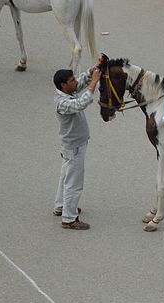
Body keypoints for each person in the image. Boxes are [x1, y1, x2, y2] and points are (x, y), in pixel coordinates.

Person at [52, 66, 101, 230]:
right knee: (74, 183)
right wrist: (93, 83)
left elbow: (80, 83)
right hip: (74, 147)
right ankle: (69, 218)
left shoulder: (67, 92)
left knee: (65, 176)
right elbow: (81, 103)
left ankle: (61, 206)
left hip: (72, 146)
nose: (75, 81)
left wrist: (92, 71)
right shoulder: (63, 103)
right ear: (63, 85)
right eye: (72, 80)